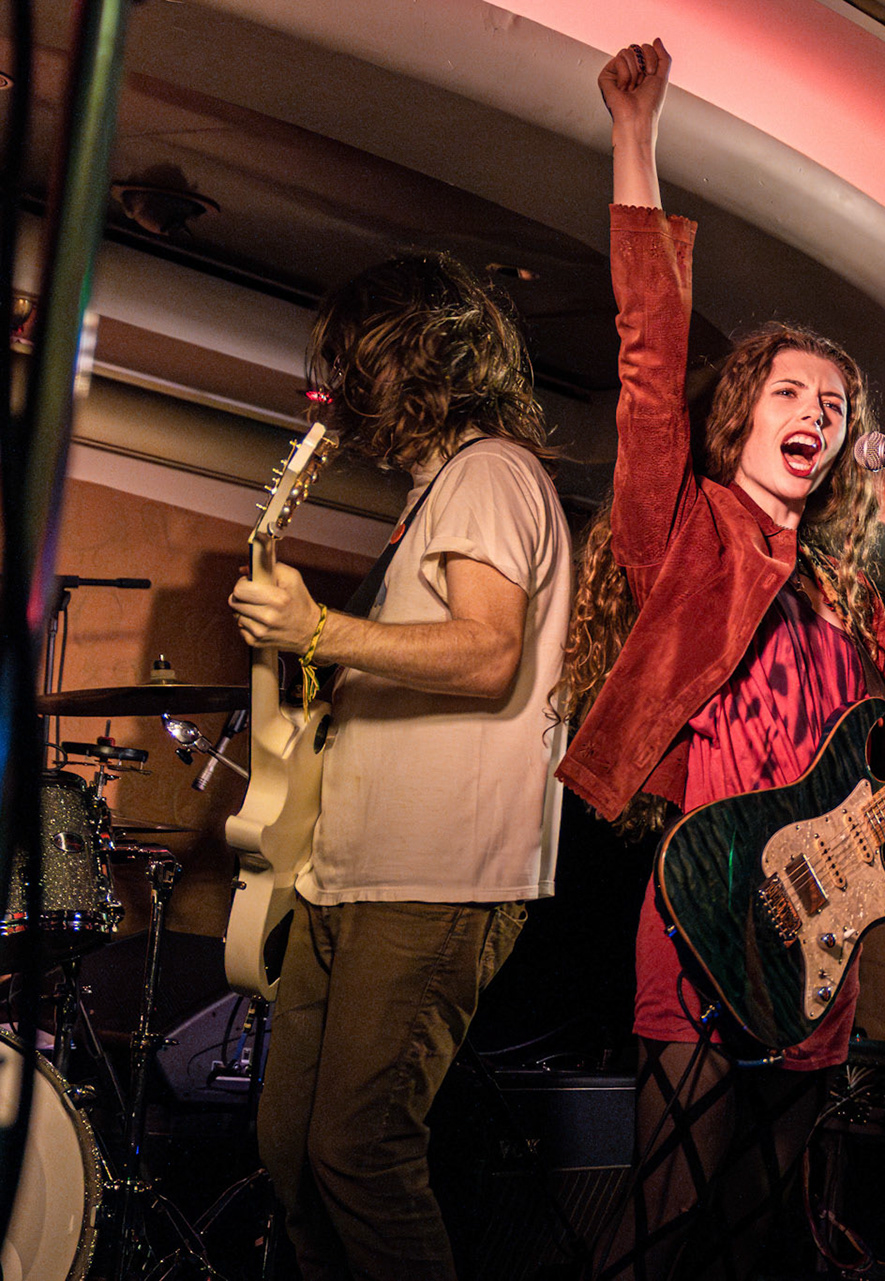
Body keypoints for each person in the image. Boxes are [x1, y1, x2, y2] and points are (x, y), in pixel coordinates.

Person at [551, 40, 885, 1281]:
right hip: (712, 895)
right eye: (793, 395)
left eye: (834, 409)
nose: (817, 419)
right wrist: (636, 140)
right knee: (666, 1203)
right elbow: (647, 359)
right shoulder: (686, 532)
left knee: (764, 1219)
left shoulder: (836, 583)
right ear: (742, 412)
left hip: (824, 917)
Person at [229, 251, 571, 1280]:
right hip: (349, 869)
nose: (347, 383)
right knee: (291, 1152)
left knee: (359, 1150)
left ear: (430, 353)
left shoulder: (489, 471)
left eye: (363, 357)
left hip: (435, 874)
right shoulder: (434, 495)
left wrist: (320, 630)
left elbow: (487, 652)